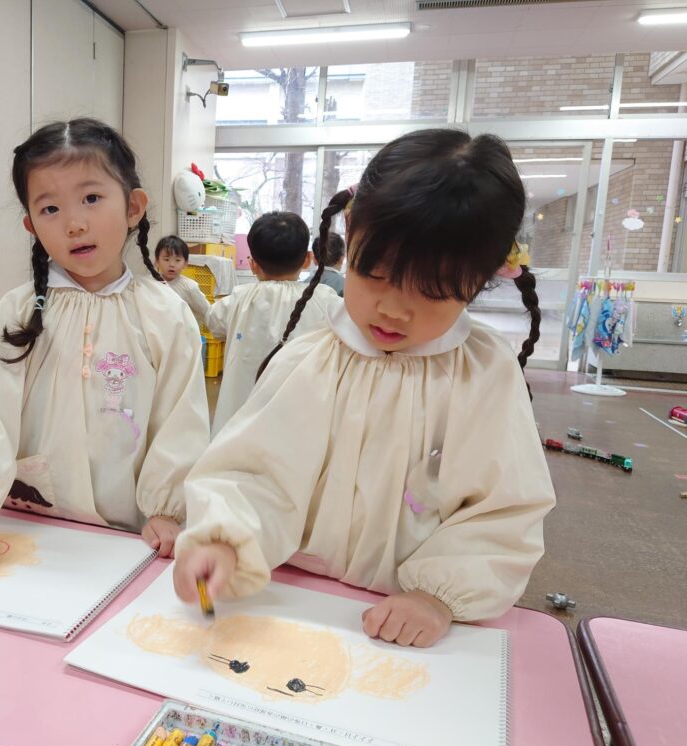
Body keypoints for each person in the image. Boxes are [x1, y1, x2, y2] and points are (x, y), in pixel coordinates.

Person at [174, 129, 555, 647]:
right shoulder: (311, 358)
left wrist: (438, 595)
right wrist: (226, 539)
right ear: (350, 238)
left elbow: (504, 510)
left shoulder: (484, 374)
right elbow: (255, 473)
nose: (393, 309)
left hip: (407, 625)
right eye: (375, 274)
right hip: (293, 605)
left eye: (431, 291)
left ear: (480, 279)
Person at [0, 118, 210, 562]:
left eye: (91, 199)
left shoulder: (165, 316)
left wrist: (167, 510)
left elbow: (180, 422)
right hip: (28, 535)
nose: (74, 224)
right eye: (50, 209)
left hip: (129, 541)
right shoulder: (17, 313)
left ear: (133, 207)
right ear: (31, 225)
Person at [206, 211, 338, 435]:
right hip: (301, 419)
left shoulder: (239, 298)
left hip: (240, 419)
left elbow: (213, 321)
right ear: (307, 260)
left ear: (253, 265)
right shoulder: (325, 298)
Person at [155, 235, 210, 327]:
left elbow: (208, 312)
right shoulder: (151, 284)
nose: (172, 264)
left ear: (185, 263)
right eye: (166, 259)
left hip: (185, 333)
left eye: (177, 260)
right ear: (157, 261)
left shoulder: (190, 287)